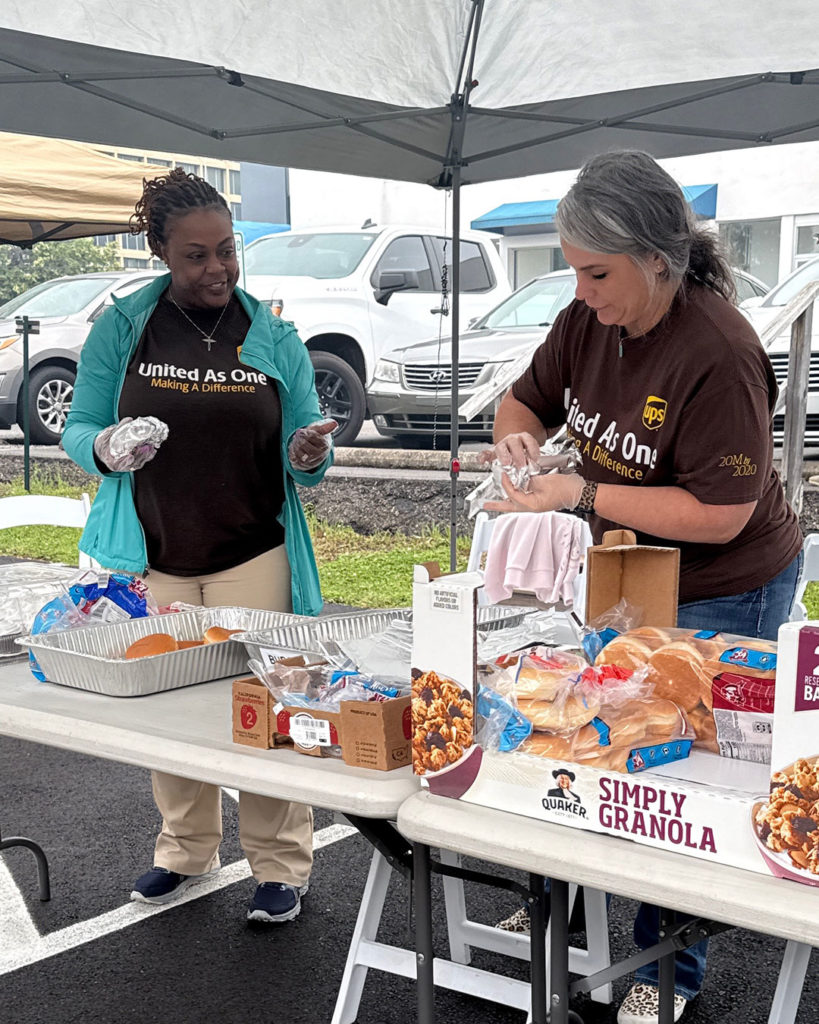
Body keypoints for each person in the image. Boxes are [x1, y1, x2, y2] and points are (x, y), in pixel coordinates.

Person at [486, 150, 803, 1024]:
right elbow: (522, 403)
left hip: (724, 583)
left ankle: (672, 967)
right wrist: (518, 443)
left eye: (596, 272)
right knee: (593, 731)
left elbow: (722, 514)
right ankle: (573, 905)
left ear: (657, 260)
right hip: (623, 571)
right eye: (573, 270)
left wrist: (582, 492)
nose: (581, 291)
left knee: (686, 775)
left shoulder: (720, 352)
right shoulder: (586, 321)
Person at [62, 168, 336, 926]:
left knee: (265, 705)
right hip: (153, 557)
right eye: (195, 256)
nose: (216, 269)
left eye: (226, 250)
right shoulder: (123, 329)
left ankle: (280, 863)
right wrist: (106, 448)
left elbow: (305, 445)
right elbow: (78, 428)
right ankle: (184, 850)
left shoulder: (272, 334)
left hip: (254, 548)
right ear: (160, 252)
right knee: (168, 713)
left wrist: (309, 454)